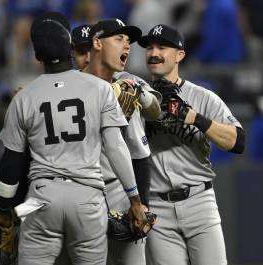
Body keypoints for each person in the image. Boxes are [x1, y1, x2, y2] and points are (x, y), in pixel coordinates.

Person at [0, 12, 147, 265]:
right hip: (88, 197)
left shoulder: (23, 98)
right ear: (70, 48)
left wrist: (3, 210)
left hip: (40, 199)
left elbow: (11, 164)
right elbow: (116, 147)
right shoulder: (100, 89)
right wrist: (135, 199)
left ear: (37, 56)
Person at [137, 24, 245, 265]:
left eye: (162, 47)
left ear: (180, 55)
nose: (154, 53)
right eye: (150, 47)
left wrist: (196, 118)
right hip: (157, 205)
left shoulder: (202, 97)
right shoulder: (136, 98)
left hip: (199, 200)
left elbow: (238, 142)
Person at [80, 19, 160, 265]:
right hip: (80, 191)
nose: (126, 45)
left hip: (120, 191)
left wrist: (142, 204)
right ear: (97, 44)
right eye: (118, 39)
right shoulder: (72, 85)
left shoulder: (128, 83)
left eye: (129, 41)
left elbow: (154, 116)